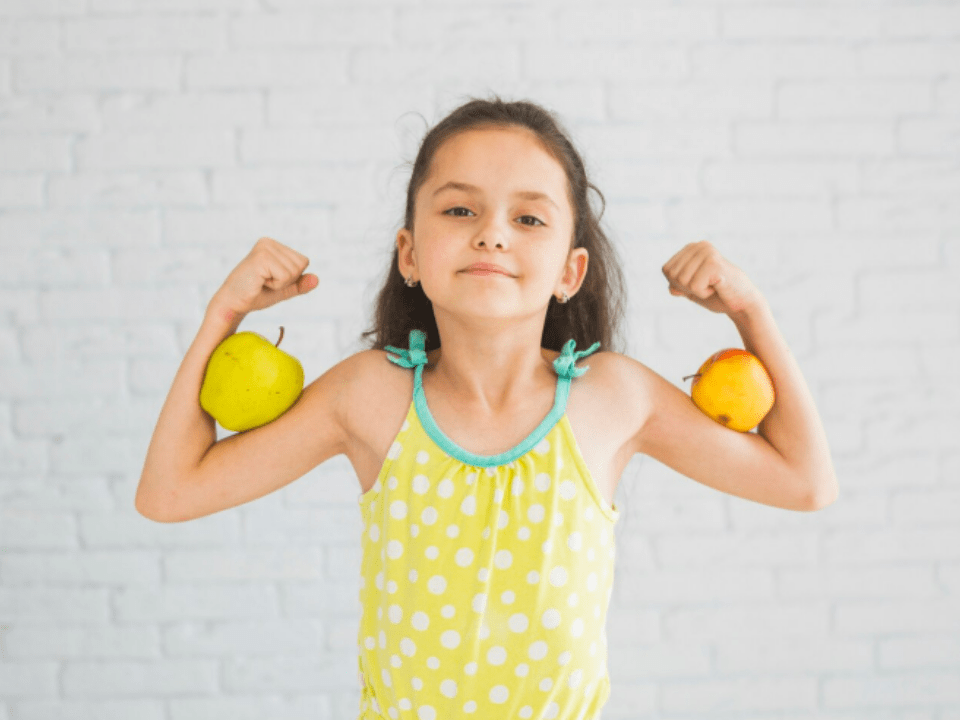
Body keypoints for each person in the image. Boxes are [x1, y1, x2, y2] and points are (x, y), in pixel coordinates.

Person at [135, 94, 838, 720]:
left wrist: (752, 313)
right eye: (460, 209)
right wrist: (222, 316)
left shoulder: (613, 398)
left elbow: (806, 483)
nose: (492, 233)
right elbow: (169, 492)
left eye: (529, 216)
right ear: (409, 255)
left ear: (571, 270)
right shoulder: (370, 395)